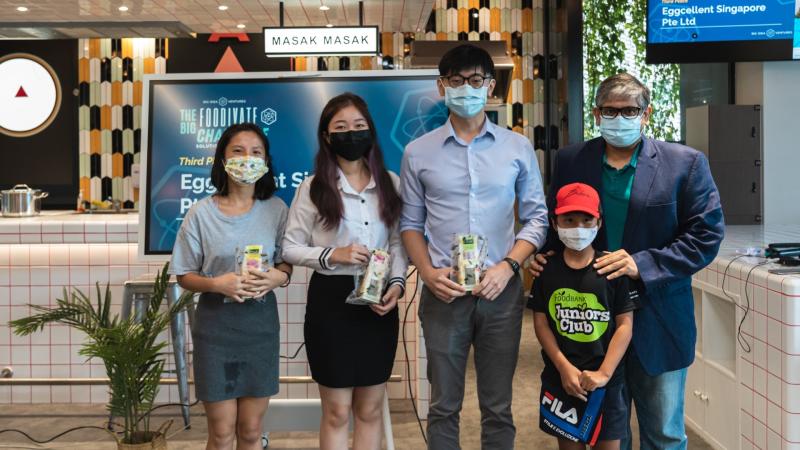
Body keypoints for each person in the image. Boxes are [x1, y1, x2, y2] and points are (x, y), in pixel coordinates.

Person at [530, 73, 724, 450]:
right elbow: (561, 222)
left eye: (630, 111)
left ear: (646, 115)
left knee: (664, 434)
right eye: (610, 111)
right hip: (591, 324)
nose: (619, 118)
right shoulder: (572, 160)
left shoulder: (684, 164)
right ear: (596, 114)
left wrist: (643, 265)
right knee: (608, 435)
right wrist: (545, 258)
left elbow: (707, 236)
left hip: (659, 319)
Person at [400, 43, 549, 450]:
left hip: (500, 291)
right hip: (443, 292)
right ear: (442, 87)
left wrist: (509, 267)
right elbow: (410, 225)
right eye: (457, 80)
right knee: (443, 406)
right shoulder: (417, 152)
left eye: (475, 80)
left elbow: (537, 219)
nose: (466, 88)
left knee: (498, 406)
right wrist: (427, 273)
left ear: (490, 87)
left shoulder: (517, 148)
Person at [282, 92, 407, 450]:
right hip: (330, 304)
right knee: (337, 411)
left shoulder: (391, 182)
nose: (351, 133)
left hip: (378, 300)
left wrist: (397, 285)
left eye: (358, 125)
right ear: (326, 136)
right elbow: (289, 247)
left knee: (370, 409)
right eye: (340, 127)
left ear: (370, 131)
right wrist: (333, 254)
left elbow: (398, 244)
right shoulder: (313, 188)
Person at [170, 123, 292, 450]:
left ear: (265, 162)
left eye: (256, 152)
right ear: (223, 159)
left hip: (260, 329)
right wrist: (215, 284)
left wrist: (279, 276)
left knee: (251, 431)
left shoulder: (277, 210)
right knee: (222, 433)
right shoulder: (200, 214)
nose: (247, 158)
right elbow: (183, 274)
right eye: (238, 151)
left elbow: (286, 262)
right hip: (215, 331)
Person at [530, 182, 638, 450]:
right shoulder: (545, 270)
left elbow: (624, 325)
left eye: (586, 220)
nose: (578, 227)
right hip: (562, 380)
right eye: (569, 220)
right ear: (554, 223)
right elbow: (541, 323)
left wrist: (604, 373)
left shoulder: (612, 270)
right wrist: (563, 367)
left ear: (598, 222)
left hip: (606, 384)